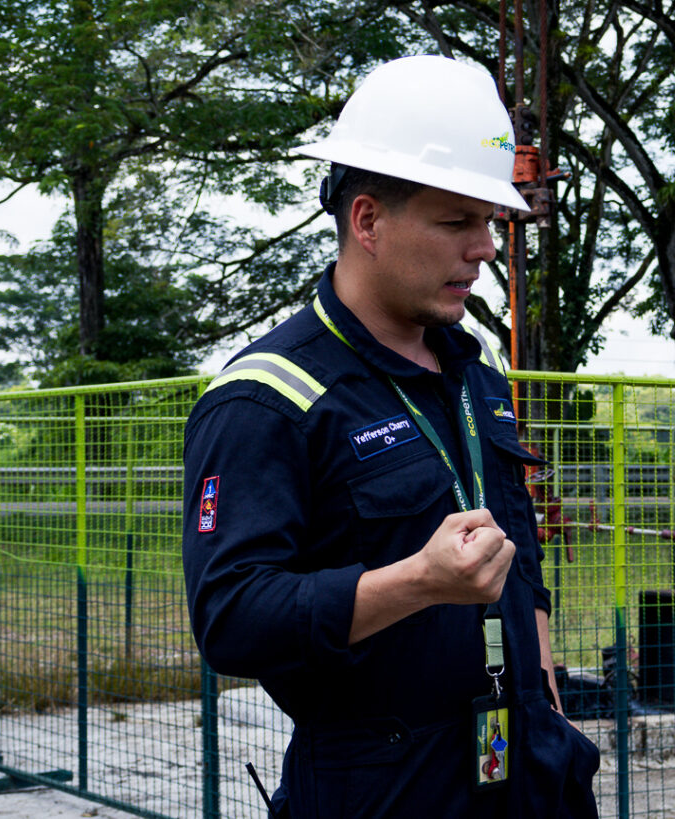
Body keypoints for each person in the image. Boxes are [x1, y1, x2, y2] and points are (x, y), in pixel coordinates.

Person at [183, 55, 599, 818]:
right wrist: (416, 582)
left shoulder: (476, 380)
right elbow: (232, 618)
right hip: (380, 780)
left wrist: (545, 698)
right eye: (457, 221)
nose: (484, 246)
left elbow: (521, 556)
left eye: (488, 220)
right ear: (367, 219)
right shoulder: (266, 399)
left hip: (519, 761)